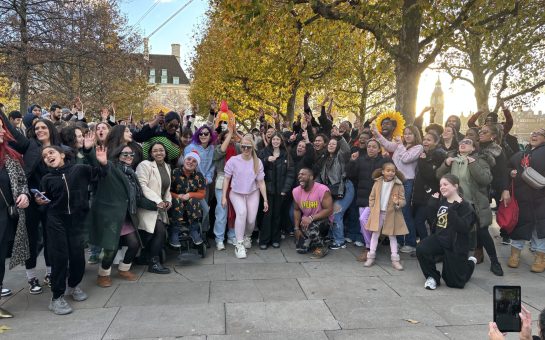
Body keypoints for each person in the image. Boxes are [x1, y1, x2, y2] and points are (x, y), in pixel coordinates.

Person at [37, 145, 108, 314]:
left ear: (62, 155)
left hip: (77, 220)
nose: (48, 156)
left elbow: (101, 174)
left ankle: (73, 285)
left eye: (51, 152)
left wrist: (104, 163)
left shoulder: (80, 169)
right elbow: (44, 202)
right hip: (56, 220)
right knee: (60, 257)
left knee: (77, 257)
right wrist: (40, 202)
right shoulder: (46, 178)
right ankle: (56, 297)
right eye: (45, 156)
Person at [90, 145, 157, 288]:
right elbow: (102, 170)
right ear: (117, 155)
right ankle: (103, 274)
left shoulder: (131, 173)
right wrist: (99, 159)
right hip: (111, 215)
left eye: (131, 154)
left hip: (126, 215)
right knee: (111, 247)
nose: (129, 157)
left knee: (134, 244)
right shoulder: (112, 168)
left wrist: (157, 205)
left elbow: (136, 197)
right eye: (125, 154)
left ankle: (124, 269)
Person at [437, 137, 504, 276]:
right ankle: (445, 255)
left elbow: (486, 179)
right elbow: (438, 176)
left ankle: (495, 262)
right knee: (451, 230)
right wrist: (445, 164)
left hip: (475, 204)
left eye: (467, 143)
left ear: (474, 148)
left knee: (482, 232)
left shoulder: (480, 161)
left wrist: (473, 164)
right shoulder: (452, 159)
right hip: (456, 204)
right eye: (461, 142)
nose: (463, 144)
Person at [416, 174, 478, 290]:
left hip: (455, 244)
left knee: (454, 283)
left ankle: (469, 264)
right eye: (440, 185)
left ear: (455, 186)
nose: (442, 187)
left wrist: (453, 212)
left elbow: (464, 228)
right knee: (422, 248)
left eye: (445, 184)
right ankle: (432, 277)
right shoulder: (442, 201)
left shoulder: (465, 206)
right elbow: (435, 221)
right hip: (440, 238)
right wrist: (431, 206)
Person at [373, 124, 423, 253]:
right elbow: (388, 145)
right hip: (395, 181)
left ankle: (411, 243)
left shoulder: (418, 147)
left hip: (407, 182)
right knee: (396, 211)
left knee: (404, 211)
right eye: (405, 133)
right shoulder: (401, 145)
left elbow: (406, 159)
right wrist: (377, 134)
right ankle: (400, 241)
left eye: (410, 133)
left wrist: (400, 145)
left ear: (415, 135)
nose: (407, 136)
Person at [0, 117, 30, 319]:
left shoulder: (11, 156)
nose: (2, 130)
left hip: (5, 216)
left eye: (2, 126)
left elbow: (22, 181)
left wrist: (24, 195)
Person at [222, 134, 268, 259]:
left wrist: (265, 200)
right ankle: (239, 243)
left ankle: (248, 236)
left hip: (253, 192)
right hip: (236, 193)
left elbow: (261, 182)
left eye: (248, 147)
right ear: (240, 147)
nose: (246, 149)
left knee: (251, 219)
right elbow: (226, 179)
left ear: (252, 147)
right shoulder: (233, 160)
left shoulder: (257, 162)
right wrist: (223, 196)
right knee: (242, 213)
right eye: (243, 147)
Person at [508, 128, 545, 273]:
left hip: (541, 198)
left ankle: (540, 258)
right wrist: (510, 172)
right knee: (520, 225)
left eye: (539, 133)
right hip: (522, 197)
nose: (534, 134)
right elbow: (507, 168)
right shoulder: (520, 154)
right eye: (533, 133)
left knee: (540, 228)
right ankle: (514, 255)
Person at [346, 138, 387, 261]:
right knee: (363, 222)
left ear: (379, 149)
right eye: (369, 146)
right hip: (363, 197)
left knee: (366, 220)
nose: (371, 149)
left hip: (377, 198)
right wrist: (352, 161)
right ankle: (371, 243)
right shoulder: (360, 160)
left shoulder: (384, 161)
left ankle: (369, 247)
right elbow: (350, 174)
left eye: (374, 147)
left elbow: (391, 175)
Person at [135, 142, 172, 274]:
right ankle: (154, 263)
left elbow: (167, 189)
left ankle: (144, 257)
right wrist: (158, 201)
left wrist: (167, 201)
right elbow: (142, 186)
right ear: (151, 153)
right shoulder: (144, 165)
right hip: (147, 206)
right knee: (160, 231)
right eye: (155, 151)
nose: (158, 153)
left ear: (165, 152)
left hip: (160, 207)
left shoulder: (167, 167)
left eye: (161, 150)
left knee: (156, 233)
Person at [363, 162, 408, 270]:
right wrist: (373, 208)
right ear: (383, 172)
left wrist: (398, 203)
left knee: (392, 236)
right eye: (388, 170)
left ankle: (395, 259)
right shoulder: (377, 182)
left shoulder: (398, 184)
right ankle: (371, 256)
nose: (391, 173)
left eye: (393, 171)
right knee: (375, 234)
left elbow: (403, 200)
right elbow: (372, 196)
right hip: (378, 213)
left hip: (391, 214)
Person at [317, 126, 354, 250]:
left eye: (334, 143)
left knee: (336, 213)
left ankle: (339, 241)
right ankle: (332, 236)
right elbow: (321, 177)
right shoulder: (326, 158)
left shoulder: (341, 156)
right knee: (330, 214)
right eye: (330, 144)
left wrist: (339, 137)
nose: (331, 145)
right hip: (332, 190)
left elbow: (347, 150)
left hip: (345, 188)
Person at [259, 132, 294, 249]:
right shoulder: (264, 152)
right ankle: (264, 240)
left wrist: (285, 189)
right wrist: (266, 160)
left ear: (281, 141)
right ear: (271, 140)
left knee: (277, 215)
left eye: (278, 139)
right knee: (267, 215)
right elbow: (257, 168)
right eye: (274, 139)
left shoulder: (286, 154)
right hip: (267, 191)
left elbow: (290, 173)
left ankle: (275, 239)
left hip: (280, 191)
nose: (275, 141)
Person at [293, 167, 334, 258]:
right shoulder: (296, 191)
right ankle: (314, 240)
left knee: (311, 228)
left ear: (311, 177)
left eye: (303, 174)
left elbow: (329, 210)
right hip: (306, 221)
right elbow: (296, 210)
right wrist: (296, 228)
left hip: (323, 220)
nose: (299, 176)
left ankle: (322, 247)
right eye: (299, 174)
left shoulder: (322, 189)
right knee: (301, 249)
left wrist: (311, 218)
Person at [413, 132, 446, 240]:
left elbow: (430, 175)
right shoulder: (425, 154)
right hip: (422, 194)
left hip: (430, 195)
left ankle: (429, 244)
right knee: (420, 221)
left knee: (426, 221)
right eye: (424, 139)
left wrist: (422, 161)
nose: (425, 142)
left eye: (429, 140)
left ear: (436, 142)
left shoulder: (438, 156)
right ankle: (426, 244)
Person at [169, 151, 206, 247]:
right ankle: (175, 232)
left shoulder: (199, 176)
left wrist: (190, 194)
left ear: (196, 164)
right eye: (189, 159)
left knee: (193, 200)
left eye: (194, 161)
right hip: (175, 201)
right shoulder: (174, 172)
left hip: (191, 203)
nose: (190, 162)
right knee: (177, 201)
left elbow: (202, 194)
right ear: (184, 160)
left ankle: (193, 230)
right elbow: (166, 191)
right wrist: (178, 196)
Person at [212, 127, 240, 250]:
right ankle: (219, 238)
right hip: (222, 181)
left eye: (233, 137)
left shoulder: (238, 148)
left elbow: (251, 148)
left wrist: (236, 132)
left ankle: (232, 235)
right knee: (222, 211)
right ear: (222, 139)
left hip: (237, 182)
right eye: (228, 137)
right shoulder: (218, 149)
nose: (231, 139)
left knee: (234, 210)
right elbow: (221, 151)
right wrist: (229, 133)